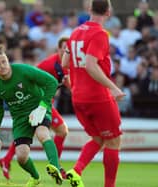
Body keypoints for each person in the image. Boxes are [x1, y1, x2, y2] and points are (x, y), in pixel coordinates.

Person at [62, 1, 125, 187]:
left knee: (98, 138)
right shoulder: (100, 34)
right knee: (114, 142)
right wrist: (112, 87)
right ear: (108, 12)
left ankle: (76, 171)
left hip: (78, 97)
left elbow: (65, 62)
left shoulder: (74, 33)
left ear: (89, 10)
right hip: (98, 96)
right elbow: (90, 64)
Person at [0, 45, 63, 187]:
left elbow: (52, 82)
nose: (2, 66)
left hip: (38, 109)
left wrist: (43, 106)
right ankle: (35, 177)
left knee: (42, 134)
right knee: (21, 156)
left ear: (8, 60)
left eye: (4, 61)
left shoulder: (22, 70)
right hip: (19, 118)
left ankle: (56, 168)